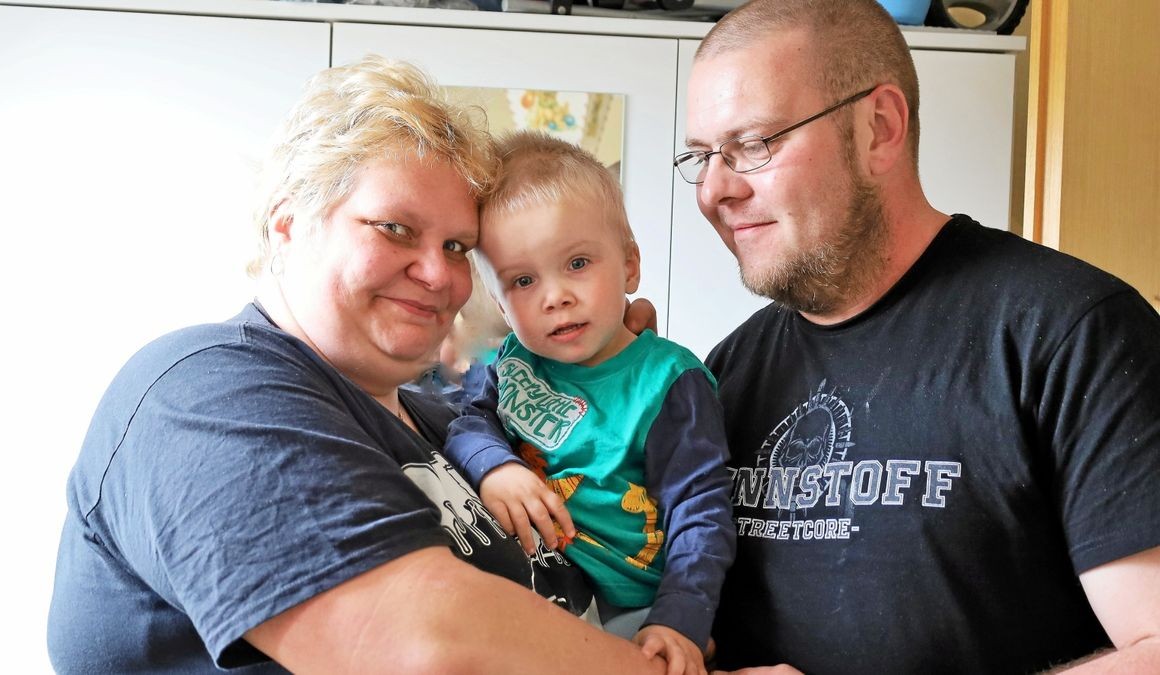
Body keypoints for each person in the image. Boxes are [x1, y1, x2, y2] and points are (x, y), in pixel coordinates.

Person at [44, 55, 786, 675]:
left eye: (458, 247)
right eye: (395, 228)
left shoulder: (440, 418)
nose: (439, 275)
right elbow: (422, 643)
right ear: (290, 222)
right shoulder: (201, 390)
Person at [669, 0, 1160, 672]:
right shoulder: (728, 370)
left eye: (752, 144)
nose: (712, 191)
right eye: (701, 156)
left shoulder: (1073, 333)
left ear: (880, 128)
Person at [444, 131, 736, 674]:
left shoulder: (669, 382)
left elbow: (701, 511)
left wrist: (680, 618)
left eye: (577, 263)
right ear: (503, 308)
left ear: (629, 265)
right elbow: (466, 425)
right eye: (523, 280)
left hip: (636, 602)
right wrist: (496, 468)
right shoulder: (510, 359)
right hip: (543, 593)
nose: (555, 296)